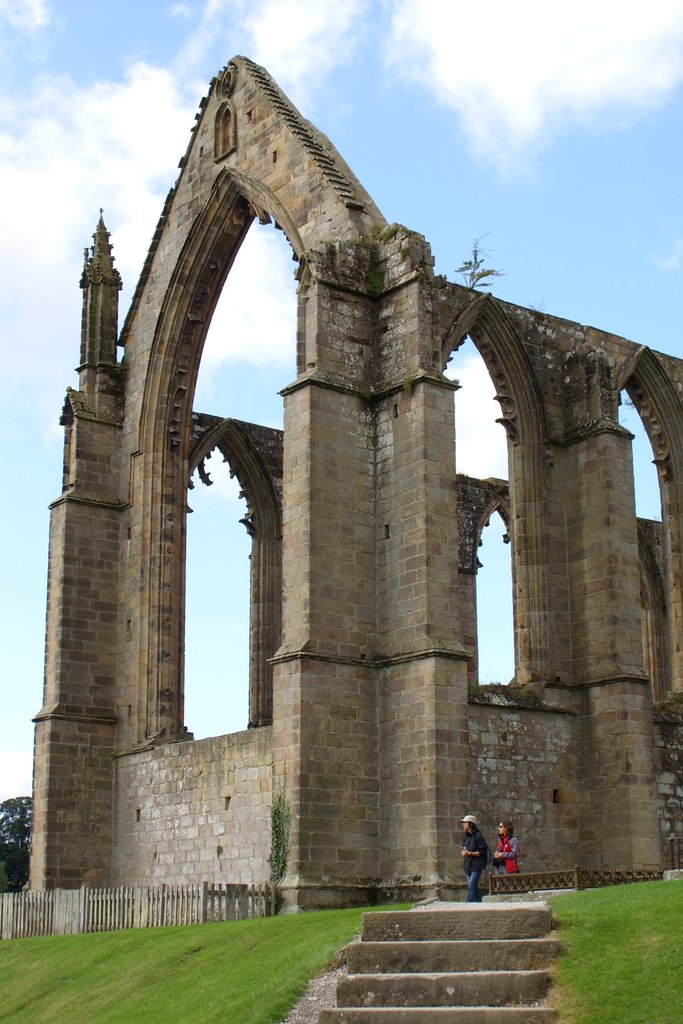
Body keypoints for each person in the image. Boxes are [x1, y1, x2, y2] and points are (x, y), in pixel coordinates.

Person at [460, 814, 489, 902]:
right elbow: (464, 848)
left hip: (477, 865)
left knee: (471, 886)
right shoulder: (466, 837)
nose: (463, 825)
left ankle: (467, 904)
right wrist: (463, 853)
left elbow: (483, 851)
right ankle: (479, 903)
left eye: (465, 823)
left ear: (471, 824)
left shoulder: (478, 836)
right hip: (468, 864)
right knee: (473, 887)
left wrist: (470, 853)